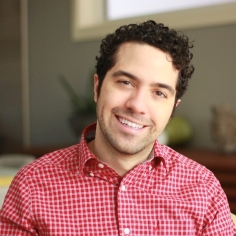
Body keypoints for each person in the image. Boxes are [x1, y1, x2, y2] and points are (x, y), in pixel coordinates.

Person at [0, 20, 235, 235]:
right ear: (97, 87)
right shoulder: (31, 185)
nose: (137, 105)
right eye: (125, 82)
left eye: (159, 93)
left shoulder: (204, 190)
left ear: (173, 108)